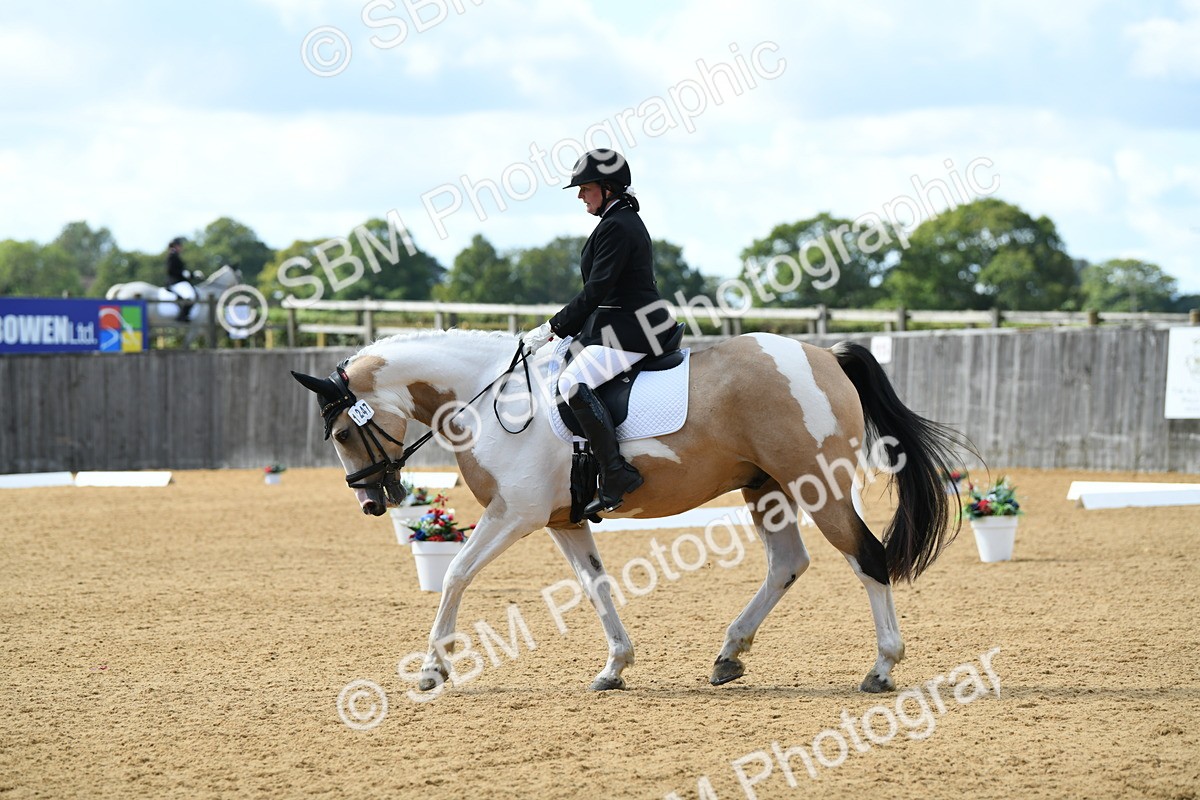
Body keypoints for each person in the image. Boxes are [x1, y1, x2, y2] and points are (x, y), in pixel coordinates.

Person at [521, 149, 678, 515]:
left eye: (585, 188)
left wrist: (553, 327)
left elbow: (597, 291)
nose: (580, 196)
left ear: (608, 188)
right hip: (616, 325)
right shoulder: (616, 221)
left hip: (632, 328)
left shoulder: (619, 226)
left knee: (571, 384)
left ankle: (616, 472)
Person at [166, 237, 197, 322]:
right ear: (176, 246)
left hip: (179, 281)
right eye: (180, 246)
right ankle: (182, 316)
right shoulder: (172, 256)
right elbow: (171, 270)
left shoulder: (175, 255)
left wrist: (192, 274)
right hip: (175, 282)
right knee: (190, 296)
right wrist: (183, 273)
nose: (182, 247)